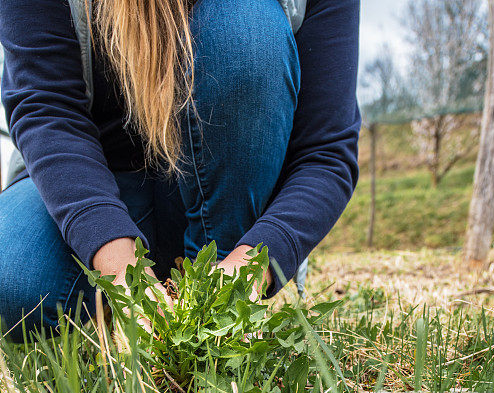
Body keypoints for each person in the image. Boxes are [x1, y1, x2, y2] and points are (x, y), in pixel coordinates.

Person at [0, 0, 360, 341]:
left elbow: (325, 153)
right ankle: (124, 302)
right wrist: (124, 275)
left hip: (220, 200)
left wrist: (250, 267)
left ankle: (215, 305)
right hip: (86, 181)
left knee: (246, 31)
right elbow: (47, 109)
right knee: (15, 280)